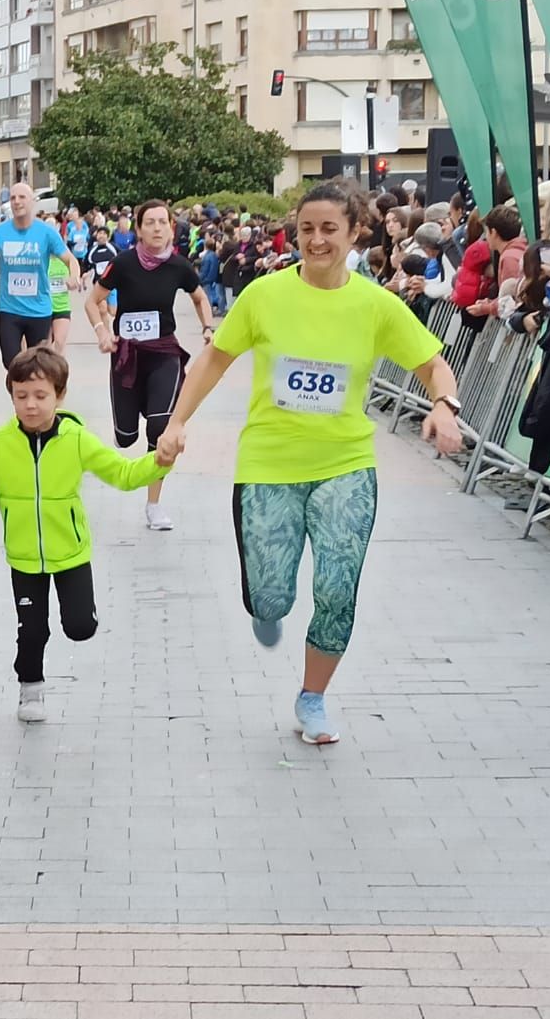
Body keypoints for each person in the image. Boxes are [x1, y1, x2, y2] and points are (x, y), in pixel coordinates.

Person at [157, 181, 463, 746]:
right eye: (306, 229)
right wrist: (177, 422)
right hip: (269, 466)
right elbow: (213, 360)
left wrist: (444, 407)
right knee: (272, 596)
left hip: (345, 464)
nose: (316, 240)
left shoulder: (375, 305)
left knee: (338, 586)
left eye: (329, 229)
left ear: (353, 234)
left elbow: (434, 364)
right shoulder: (264, 295)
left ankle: (313, 697)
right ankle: (266, 604)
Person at [0, 346, 170, 723]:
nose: (31, 405)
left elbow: (122, 474)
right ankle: (30, 690)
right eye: (21, 396)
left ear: (60, 395)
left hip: (72, 553)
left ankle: (80, 618)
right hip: (23, 558)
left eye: (41, 396)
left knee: (80, 627)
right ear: (12, 396)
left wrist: (160, 461)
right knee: (32, 630)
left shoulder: (76, 439)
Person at [84, 200, 215, 532]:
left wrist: (208, 328)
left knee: (159, 426)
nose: (157, 228)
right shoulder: (123, 263)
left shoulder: (179, 266)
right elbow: (92, 301)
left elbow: (199, 297)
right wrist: (102, 333)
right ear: (138, 229)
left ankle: (154, 503)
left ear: (172, 227)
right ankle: (129, 426)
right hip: (127, 355)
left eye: (163, 222)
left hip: (163, 352)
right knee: (126, 438)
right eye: (150, 223)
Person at [0, 181, 79, 367]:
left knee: (39, 363)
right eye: (12, 198)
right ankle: (18, 395)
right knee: (11, 362)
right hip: (9, 310)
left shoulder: (46, 232)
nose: (17, 202)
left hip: (39, 310)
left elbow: (70, 259)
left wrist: (73, 275)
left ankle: (39, 395)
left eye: (22, 197)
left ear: (32, 202)